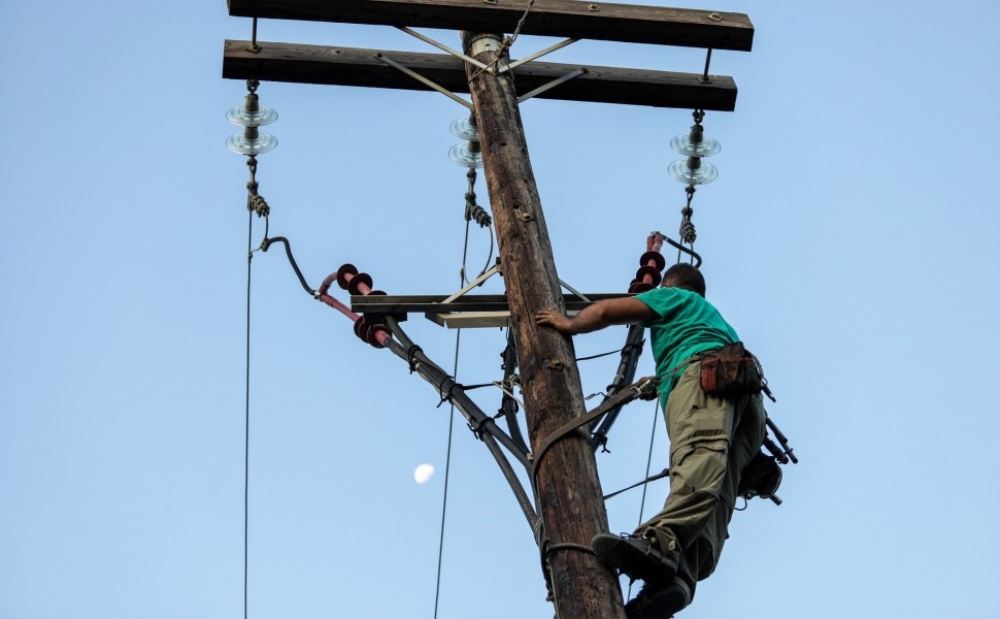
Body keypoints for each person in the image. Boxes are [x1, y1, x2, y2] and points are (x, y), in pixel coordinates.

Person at [536, 263, 766, 618]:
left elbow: (606, 311)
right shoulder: (709, 319)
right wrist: (656, 382)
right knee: (720, 488)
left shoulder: (674, 298)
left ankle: (658, 543)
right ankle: (679, 580)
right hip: (747, 399)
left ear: (672, 286)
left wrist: (568, 324)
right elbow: (692, 352)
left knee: (697, 457)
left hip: (706, 379)